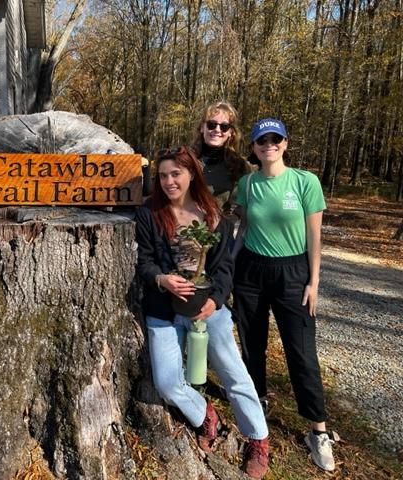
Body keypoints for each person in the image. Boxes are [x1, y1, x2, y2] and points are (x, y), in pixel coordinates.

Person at [135, 146, 270, 478]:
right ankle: (205, 415)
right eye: (163, 175)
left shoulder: (212, 214)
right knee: (167, 383)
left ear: (191, 173)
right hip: (164, 311)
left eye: (175, 174)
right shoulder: (149, 213)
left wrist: (216, 300)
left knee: (234, 374)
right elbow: (144, 260)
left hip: (208, 310)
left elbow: (225, 267)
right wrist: (161, 278)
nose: (169, 181)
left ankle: (257, 437)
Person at [233, 118, 335, 472]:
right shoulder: (247, 184)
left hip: (294, 274)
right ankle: (255, 406)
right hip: (251, 273)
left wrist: (314, 282)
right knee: (252, 343)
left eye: (275, 139)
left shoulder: (305, 182)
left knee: (302, 352)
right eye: (262, 141)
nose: (269, 145)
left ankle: (317, 429)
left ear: (285, 143)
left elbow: (315, 238)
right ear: (254, 147)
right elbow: (244, 226)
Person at [190, 101, 251, 218]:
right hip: (183, 229)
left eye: (224, 127)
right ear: (202, 127)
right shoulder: (186, 160)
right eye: (211, 124)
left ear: (231, 132)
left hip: (221, 230)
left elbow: (241, 206)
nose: (217, 130)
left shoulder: (239, 166)